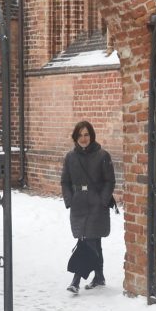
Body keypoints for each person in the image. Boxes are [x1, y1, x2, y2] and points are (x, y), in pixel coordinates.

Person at [60, 120, 116, 294]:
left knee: (85, 241)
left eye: (86, 135)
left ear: (91, 136)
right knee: (94, 241)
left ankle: (76, 280)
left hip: (96, 204)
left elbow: (110, 181)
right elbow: (65, 181)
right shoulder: (70, 157)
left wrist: (103, 200)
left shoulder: (102, 155)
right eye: (80, 135)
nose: (83, 138)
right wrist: (70, 200)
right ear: (75, 137)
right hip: (78, 204)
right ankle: (99, 276)